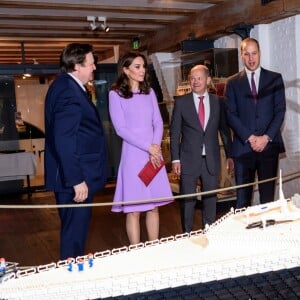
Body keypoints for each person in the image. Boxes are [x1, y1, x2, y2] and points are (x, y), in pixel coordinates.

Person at [44, 43, 107, 260]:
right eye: (91, 64)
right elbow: (64, 139)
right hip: (75, 179)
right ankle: (72, 281)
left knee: (75, 234)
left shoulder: (63, 86)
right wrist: (76, 179)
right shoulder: (68, 92)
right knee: (73, 238)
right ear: (76, 66)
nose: (94, 68)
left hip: (72, 176)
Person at [108, 51, 173, 245]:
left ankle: (153, 248)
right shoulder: (115, 94)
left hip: (153, 155)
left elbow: (158, 122)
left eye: (143, 66)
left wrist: (155, 147)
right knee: (134, 209)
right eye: (137, 67)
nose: (142, 70)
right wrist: (148, 147)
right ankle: (136, 252)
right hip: (133, 157)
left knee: (153, 207)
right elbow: (121, 129)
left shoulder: (149, 92)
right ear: (126, 70)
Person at [224, 37, 286, 209]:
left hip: (269, 148)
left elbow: (280, 111)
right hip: (243, 150)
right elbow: (231, 114)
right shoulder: (232, 83)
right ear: (241, 56)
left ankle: (267, 235)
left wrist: (265, 138)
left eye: (254, 53)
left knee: (268, 200)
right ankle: (243, 236)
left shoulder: (275, 79)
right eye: (247, 54)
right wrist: (250, 137)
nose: (251, 58)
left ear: (260, 54)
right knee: (242, 202)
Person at [170, 64, 232, 233]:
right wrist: (175, 159)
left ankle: (209, 233)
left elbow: (224, 130)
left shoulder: (218, 102)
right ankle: (187, 235)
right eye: (192, 78)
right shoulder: (181, 103)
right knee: (188, 201)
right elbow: (175, 133)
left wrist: (229, 155)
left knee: (210, 200)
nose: (195, 81)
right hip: (188, 160)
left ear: (208, 80)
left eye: (199, 78)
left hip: (211, 160)